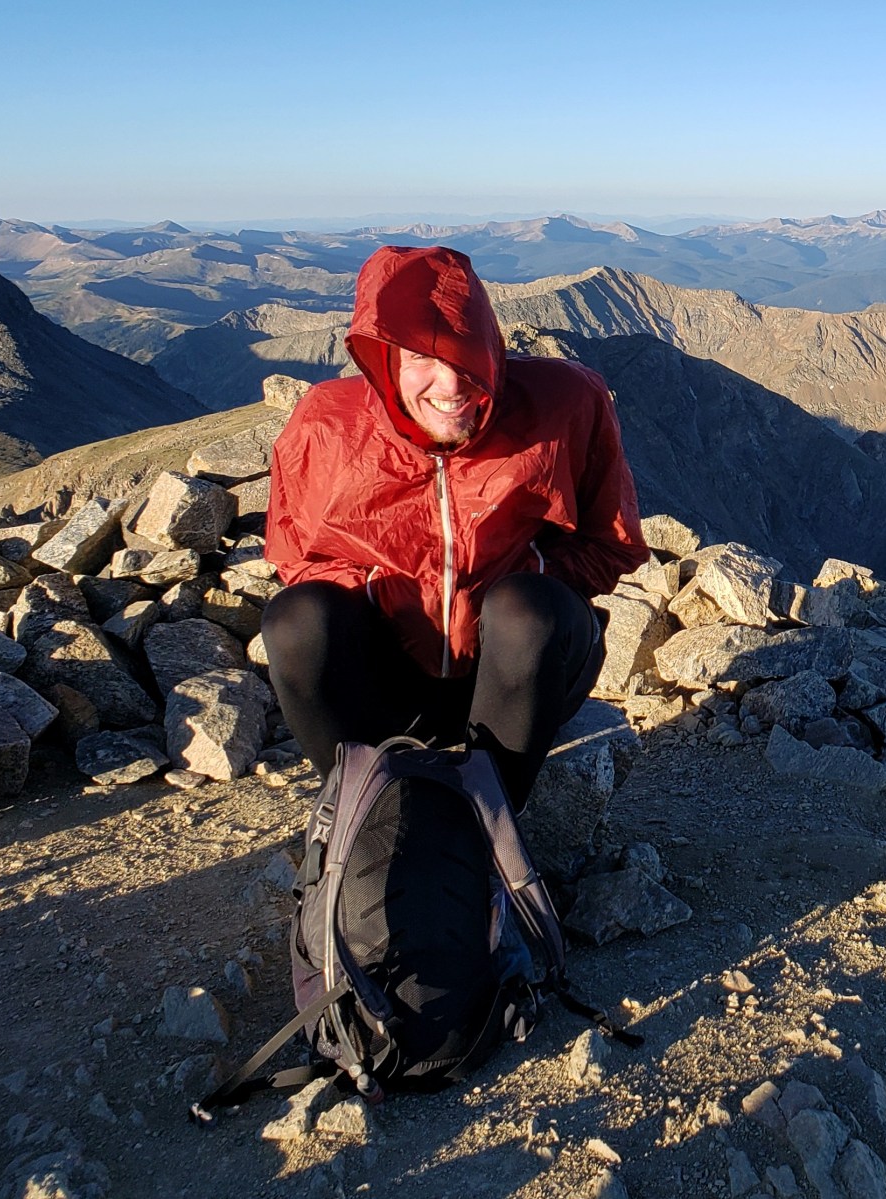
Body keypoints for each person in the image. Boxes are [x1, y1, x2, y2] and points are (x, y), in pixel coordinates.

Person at [262, 244, 649, 809]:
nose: (449, 385)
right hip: (391, 682)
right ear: (384, 359)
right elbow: (295, 555)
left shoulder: (566, 400)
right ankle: (364, 811)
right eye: (421, 358)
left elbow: (611, 541)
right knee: (295, 622)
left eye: (465, 357)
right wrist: (388, 594)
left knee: (524, 609)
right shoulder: (327, 421)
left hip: (525, 669)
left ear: (492, 347)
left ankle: (491, 826)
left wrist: (512, 583)